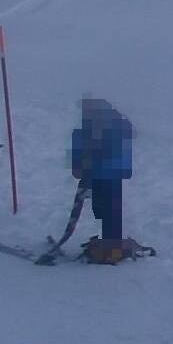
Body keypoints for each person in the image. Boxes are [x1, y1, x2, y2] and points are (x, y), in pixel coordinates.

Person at [50, 97, 136, 262]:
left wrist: (91, 162)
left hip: (109, 177)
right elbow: (76, 156)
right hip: (99, 177)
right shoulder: (84, 131)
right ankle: (109, 243)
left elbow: (122, 150)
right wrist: (79, 165)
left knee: (110, 210)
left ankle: (112, 247)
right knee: (102, 209)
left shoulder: (115, 128)